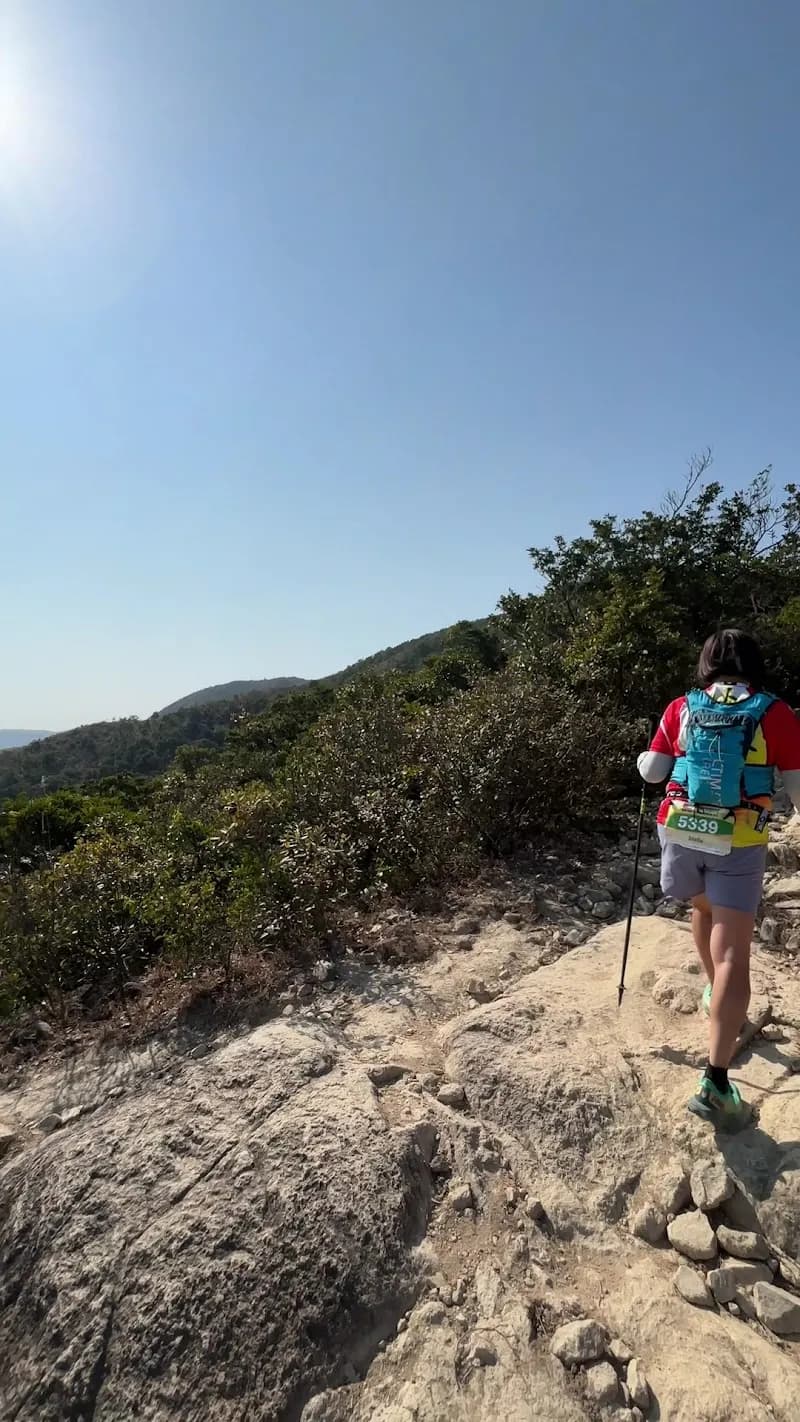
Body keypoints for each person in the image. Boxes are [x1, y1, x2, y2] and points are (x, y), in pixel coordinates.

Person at [638, 629, 800, 1128]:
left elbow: (652, 772)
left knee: (700, 906)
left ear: (706, 662)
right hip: (739, 835)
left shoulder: (680, 707)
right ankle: (716, 1081)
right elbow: (795, 785)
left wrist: (648, 757)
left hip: (680, 828)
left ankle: (716, 992)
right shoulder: (775, 713)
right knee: (734, 950)